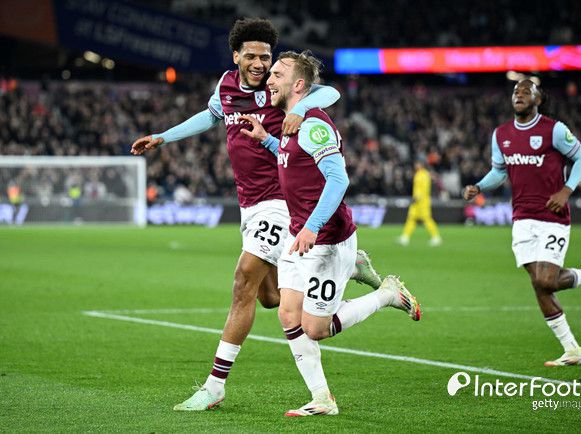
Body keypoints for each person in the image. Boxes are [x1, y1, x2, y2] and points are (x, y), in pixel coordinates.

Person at [130, 18, 382, 411]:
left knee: (243, 279)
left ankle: (214, 386)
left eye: (266, 56)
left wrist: (305, 107)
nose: (260, 64)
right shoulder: (226, 86)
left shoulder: (278, 88)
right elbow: (210, 116)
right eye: (251, 56)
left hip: (279, 202)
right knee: (269, 298)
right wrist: (164, 136)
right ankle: (347, 267)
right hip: (249, 205)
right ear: (236, 56)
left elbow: (329, 92)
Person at [240, 50, 421, 417]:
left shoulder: (313, 124)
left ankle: (386, 294)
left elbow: (338, 180)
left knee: (316, 328)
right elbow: (294, 160)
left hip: (326, 240)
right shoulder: (291, 122)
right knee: (288, 315)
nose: (269, 79)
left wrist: (312, 226)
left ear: (298, 85)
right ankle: (322, 398)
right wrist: (266, 140)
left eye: (277, 75)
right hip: (298, 236)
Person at [463, 79, 581, 367]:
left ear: (538, 99)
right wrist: (479, 186)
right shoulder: (501, 134)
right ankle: (572, 350)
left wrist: (566, 190)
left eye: (525, 91)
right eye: (515, 91)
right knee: (540, 285)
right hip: (522, 219)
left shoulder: (553, 130)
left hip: (552, 217)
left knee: (546, 280)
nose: (519, 95)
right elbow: (499, 172)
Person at [398, 160, 442, 246]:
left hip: (422, 202)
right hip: (417, 201)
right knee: (411, 218)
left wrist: (417, 197)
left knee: (426, 218)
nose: (416, 165)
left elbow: (423, 188)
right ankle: (405, 237)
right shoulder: (420, 174)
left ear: (422, 165)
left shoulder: (423, 175)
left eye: (417, 164)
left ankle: (436, 237)